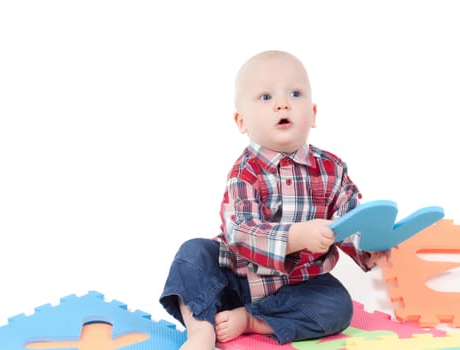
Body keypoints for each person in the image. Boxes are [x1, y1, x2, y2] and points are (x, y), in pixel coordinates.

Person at [159, 50, 390, 350]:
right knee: (192, 255)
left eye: (295, 93)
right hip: (236, 278)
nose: (283, 103)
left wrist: (371, 246)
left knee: (338, 306)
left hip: (299, 286)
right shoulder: (244, 173)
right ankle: (200, 329)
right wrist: (297, 236)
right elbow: (240, 232)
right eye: (266, 97)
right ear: (241, 121)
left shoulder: (332, 169)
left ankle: (255, 321)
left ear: (314, 113)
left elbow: (350, 220)